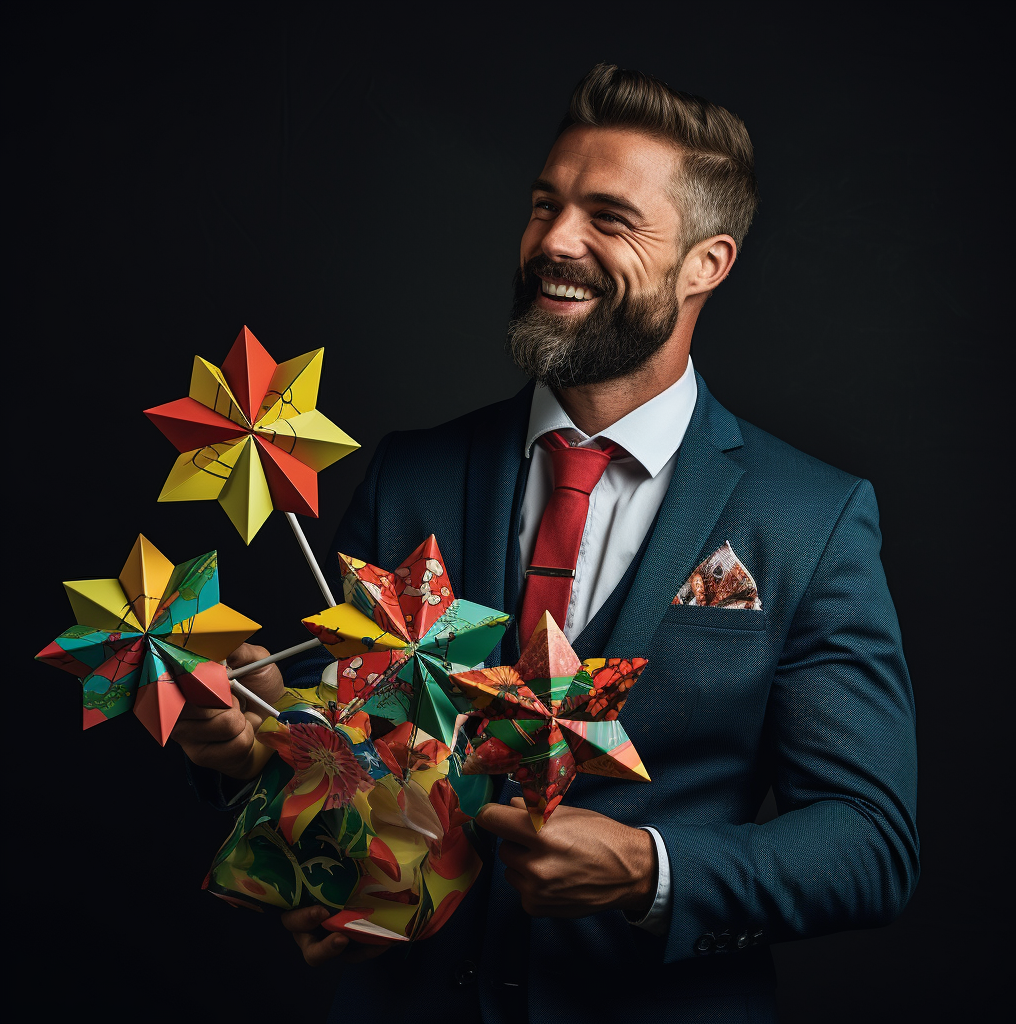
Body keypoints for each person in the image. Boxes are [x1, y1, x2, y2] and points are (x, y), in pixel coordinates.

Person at [173, 63, 919, 1023]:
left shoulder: (808, 519)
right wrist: (261, 743)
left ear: (709, 263)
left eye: (609, 218)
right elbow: (354, 751)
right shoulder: (413, 476)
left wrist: (652, 871)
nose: (555, 242)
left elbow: (870, 845)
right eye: (543, 204)